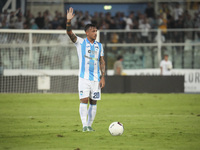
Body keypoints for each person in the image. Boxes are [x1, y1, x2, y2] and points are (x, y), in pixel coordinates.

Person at [66, 7, 105, 132]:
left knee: (94, 102)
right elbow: (69, 33)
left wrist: (102, 76)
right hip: (84, 77)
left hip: (95, 79)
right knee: (84, 100)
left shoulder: (99, 46)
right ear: (87, 33)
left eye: (96, 31)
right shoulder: (80, 42)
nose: (95, 33)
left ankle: (89, 125)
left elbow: (101, 61)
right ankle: (84, 126)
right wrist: (68, 21)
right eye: (93, 31)